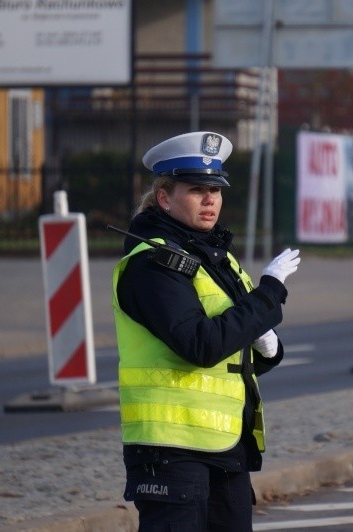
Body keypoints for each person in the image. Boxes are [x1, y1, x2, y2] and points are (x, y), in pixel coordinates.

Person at [111, 131, 300, 531]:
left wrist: (267, 347)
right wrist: (269, 294)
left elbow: (235, 352)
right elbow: (201, 344)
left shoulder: (216, 257)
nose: (210, 199)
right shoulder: (153, 263)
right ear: (165, 197)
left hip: (225, 446)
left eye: (215, 189)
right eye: (197, 189)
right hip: (171, 452)